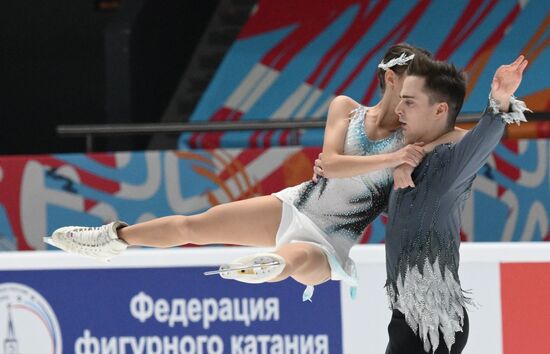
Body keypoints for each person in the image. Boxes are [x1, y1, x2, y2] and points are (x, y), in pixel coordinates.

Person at [43, 44, 465, 301]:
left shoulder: (415, 134)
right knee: (195, 225)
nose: (416, 96)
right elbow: (331, 165)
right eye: (411, 84)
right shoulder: (346, 109)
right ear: (390, 79)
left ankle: (263, 267)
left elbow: (460, 135)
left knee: (295, 258)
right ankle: (113, 238)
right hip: (295, 207)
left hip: (333, 242)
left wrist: (499, 112)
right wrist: (391, 159)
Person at [382, 55, 529, 354]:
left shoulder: (451, 163)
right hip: (406, 318)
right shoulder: (407, 159)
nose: (398, 109)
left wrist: (500, 99)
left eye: (409, 102)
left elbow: (483, 136)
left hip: (434, 325)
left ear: (440, 109)